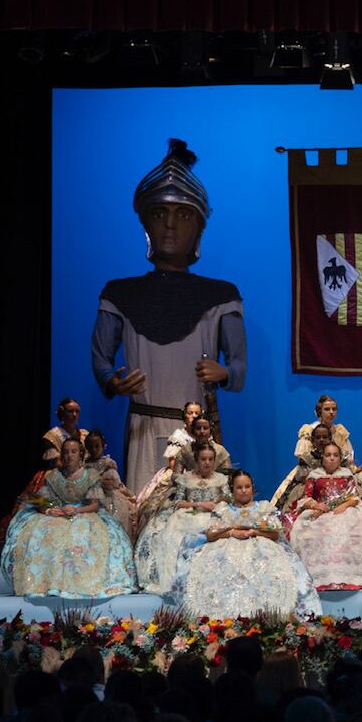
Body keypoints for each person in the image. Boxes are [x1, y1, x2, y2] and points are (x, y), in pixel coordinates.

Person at [91, 139, 246, 492]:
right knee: (144, 503)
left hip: (198, 429)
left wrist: (225, 372)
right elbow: (101, 359)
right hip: (144, 426)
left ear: (199, 227)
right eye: (160, 213)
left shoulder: (222, 295)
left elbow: (239, 369)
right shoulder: (120, 293)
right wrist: (111, 381)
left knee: (197, 506)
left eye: (184, 214)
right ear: (146, 222)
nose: (171, 225)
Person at [172, 469, 320, 619]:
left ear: (252, 488)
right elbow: (211, 534)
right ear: (232, 489)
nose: (243, 491)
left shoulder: (263, 508)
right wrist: (232, 532)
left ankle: (269, 614)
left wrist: (256, 532)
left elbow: (274, 533)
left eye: (247, 487)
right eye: (239, 487)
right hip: (225, 547)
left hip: (261, 547)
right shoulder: (223, 509)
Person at [2, 436, 137, 597]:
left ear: (80, 454)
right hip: (58, 513)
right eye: (66, 452)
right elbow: (41, 501)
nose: (69, 456)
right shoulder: (54, 476)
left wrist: (77, 510)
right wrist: (49, 511)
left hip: (84, 513)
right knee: (43, 534)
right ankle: (46, 582)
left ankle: (81, 583)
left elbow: (94, 505)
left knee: (81, 538)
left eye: (73, 452)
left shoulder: (90, 475)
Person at [285, 441, 362, 591]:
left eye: (335, 455)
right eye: (328, 455)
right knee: (309, 531)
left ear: (340, 458)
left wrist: (344, 506)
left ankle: (352, 575)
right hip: (321, 511)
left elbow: (353, 497)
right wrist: (315, 505)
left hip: (345, 510)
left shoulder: (346, 474)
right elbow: (306, 497)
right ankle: (318, 576)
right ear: (322, 458)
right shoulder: (315, 475)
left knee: (359, 529)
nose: (332, 458)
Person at [134, 440, 229, 595]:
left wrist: (217, 506)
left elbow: (227, 500)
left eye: (210, 459)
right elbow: (177, 502)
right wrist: (199, 504)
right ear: (196, 460)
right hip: (188, 516)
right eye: (203, 459)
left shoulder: (221, 479)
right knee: (170, 536)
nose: (207, 463)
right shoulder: (186, 478)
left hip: (213, 515)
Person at [285, 395, 362, 527]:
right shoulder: (309, 431)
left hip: (339, 473)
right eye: (327, 409)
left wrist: (345, 467)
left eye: (334, 409)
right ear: (319, 411)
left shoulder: (340, 432)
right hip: (313, 474)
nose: (331, 412)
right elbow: (305, 458)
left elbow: (347, 455)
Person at [0, 398, 89, 541]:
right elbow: (57, 462)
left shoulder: (84, 435)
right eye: (70, 411)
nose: (74, 415)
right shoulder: (54, 435)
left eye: (77, 411)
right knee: (43, 503)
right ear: (62, 413)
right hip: (60, 473)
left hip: (81, 474)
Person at [134, 401, 204, 507]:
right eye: (190, 413)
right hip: (181, 473)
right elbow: (173, 463)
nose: (193, 416)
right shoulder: (179, 436)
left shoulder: (205, 435)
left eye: (196, 413)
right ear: (184, 415)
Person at [81, 429, 137, 538]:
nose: (94, 449)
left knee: (113, 516)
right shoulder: (84, 464)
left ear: (103, 446)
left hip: (106, 496)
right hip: (88, 496)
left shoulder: (107, 464)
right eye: (90, 447)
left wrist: (97, 481)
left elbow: (113, 483)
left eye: (97, 446)